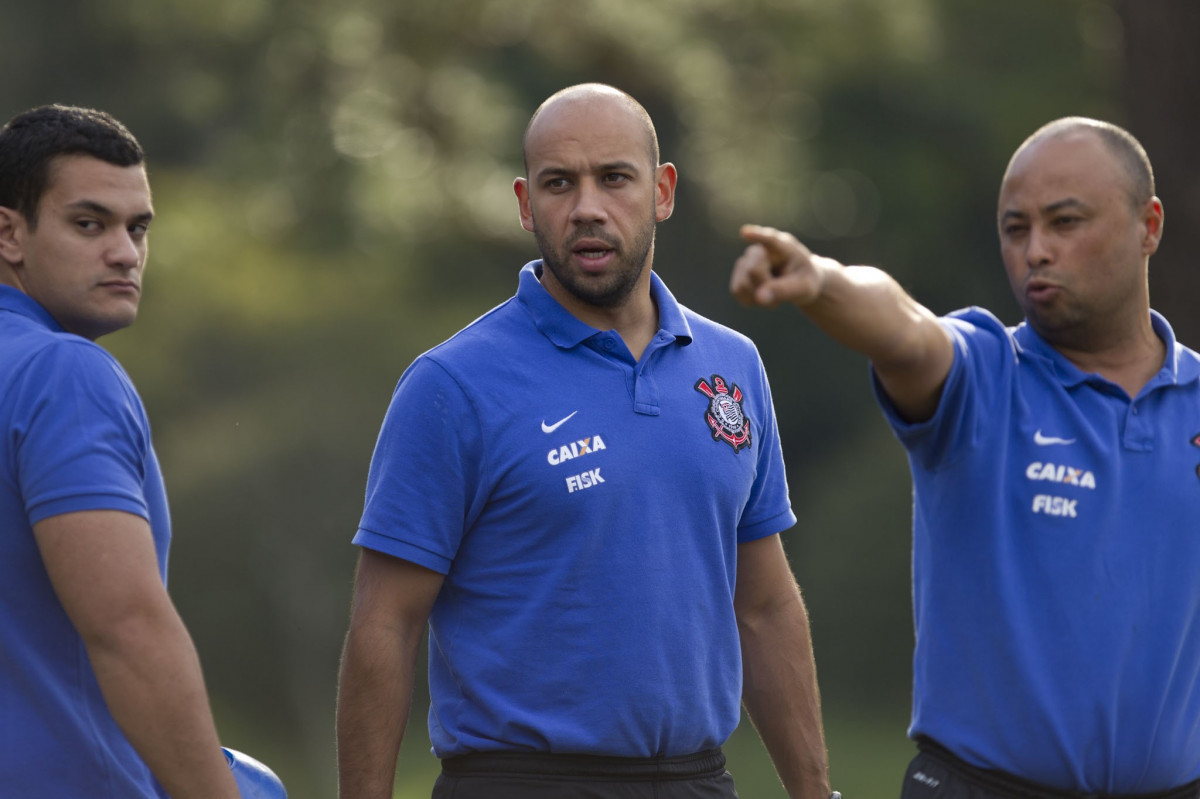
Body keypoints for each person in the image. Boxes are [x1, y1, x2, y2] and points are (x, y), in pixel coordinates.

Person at [337, 83, 835, 799]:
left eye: (615, 178)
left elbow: (763, 606)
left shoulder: (734, 366)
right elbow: (385, 624)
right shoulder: (451, 385)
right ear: (524, 203)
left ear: (662, 191)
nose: (588, 208)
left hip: (699, 780)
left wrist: (817, 792)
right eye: (559, 183)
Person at [731, 117, 1200, 799]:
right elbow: (905, 329)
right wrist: (822, 281)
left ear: (1147, 225)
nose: (1037, 250)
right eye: (1016, 229)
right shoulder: (985, 373)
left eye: (1065, 222)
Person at [0, 105, 241, 798]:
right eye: (89, 223)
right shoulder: (62, 373)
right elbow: (126, 627)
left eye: (138, 228)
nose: (125, 253)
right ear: (9, 232)